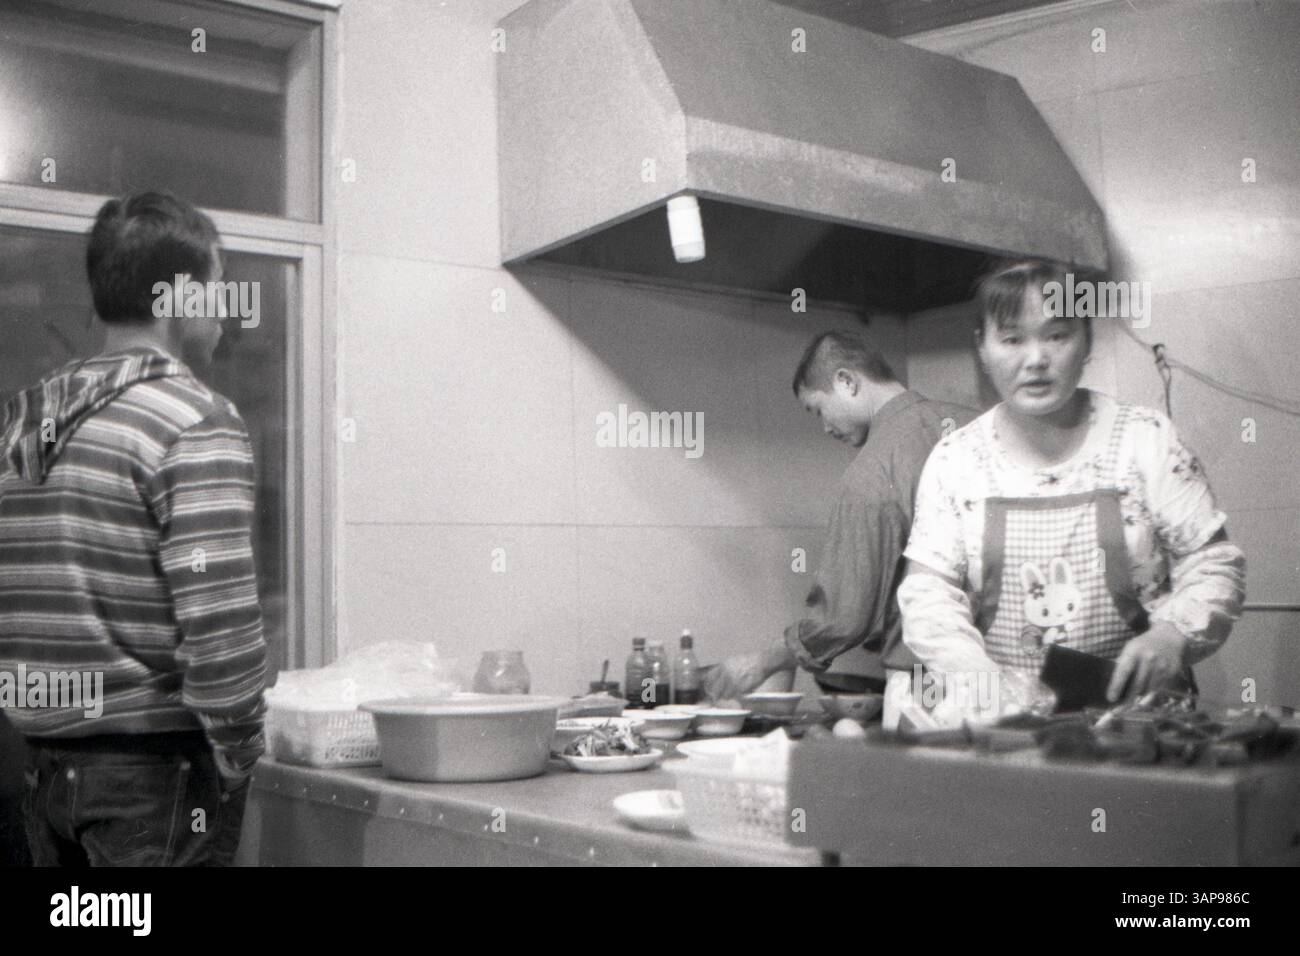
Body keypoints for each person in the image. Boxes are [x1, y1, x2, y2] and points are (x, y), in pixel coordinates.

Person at [0, 191, 267, 866]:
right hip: (151, 779)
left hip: (37, 767)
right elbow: (219, 626)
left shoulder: (23, 422)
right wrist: (238, 754)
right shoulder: (193, 420)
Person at [897, 260, 1246, 722]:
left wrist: (1171, 635)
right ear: (982, 347)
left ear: (1087, 342)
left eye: (1057, 335)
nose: (1035, 358)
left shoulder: (1146, 439)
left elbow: (1213, 564)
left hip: (1144, 723)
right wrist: (971, 675)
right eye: (1012, 338)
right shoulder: (955, 460)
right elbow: (927, 591)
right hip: (1005, 725)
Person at [704, 331, 976, 701]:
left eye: (818, 410)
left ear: (846, 381)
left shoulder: (873, 471)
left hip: (930, 688)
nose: (825, 427)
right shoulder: (978, 427)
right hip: (1012, 678)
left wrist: (764, 661)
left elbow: (843, 618)